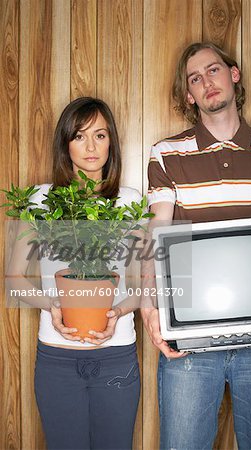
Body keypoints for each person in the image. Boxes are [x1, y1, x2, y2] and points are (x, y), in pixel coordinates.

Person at [141, 42, 251, 450]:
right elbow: (156, 230)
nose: (206, 82)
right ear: (189, 95)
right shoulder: (166, 154)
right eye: (195, 78)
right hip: (189, 338)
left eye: (213, 70)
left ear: (234, 74)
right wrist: (147, 304)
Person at [7, 97, 141, 450]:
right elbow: (14, 278)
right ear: (65, 143)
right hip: (56, 358)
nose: (91, 147)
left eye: (100, 135)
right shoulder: (39, 200)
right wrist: (51, 305)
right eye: (80, 136)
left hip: (117, 356)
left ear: (112, 141)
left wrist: (117, 313)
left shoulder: (129, 201)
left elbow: (145, 285)